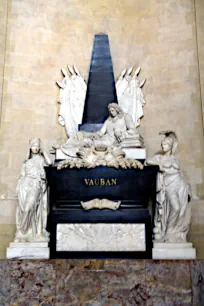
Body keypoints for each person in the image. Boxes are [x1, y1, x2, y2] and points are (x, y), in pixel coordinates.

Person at [145, 131, 191, 243]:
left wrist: (187, 186)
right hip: (169, 183)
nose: (163, 146)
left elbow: (180, 173)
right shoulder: (159, 158)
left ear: (170, 146)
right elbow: (147, 161)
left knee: (182, 210)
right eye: (162, 144)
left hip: (180, 183)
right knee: (176, 208)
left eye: (165, 144)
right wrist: (159, 166)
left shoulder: (175, 159)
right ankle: (169, 233)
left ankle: (176, 234)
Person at [59, 103, 141, 157]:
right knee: (84, 137)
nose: (111, 113)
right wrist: (95, 135)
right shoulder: (109, 120)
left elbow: (133, 131)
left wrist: (122, 133)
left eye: (113, 110)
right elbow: (101, 132)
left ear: (117, 109)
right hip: (104, 139)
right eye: (110, 111)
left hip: (112, 143)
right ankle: (68, 146)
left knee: (87, 141)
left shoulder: (125, 117)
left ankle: (66, 147)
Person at [14, 138, 52, 242]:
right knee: (23, 209)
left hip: (36, 184)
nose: (36, 147)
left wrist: (44, 152)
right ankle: (22, 234)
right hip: (24, 185)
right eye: (34, 145)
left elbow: (50, 163)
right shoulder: (26, 162)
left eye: (37, 145)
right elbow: (21, 176)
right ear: (30, 147)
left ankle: (22, 231)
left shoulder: (41, 159)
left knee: (28, 208)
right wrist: (18, 188)